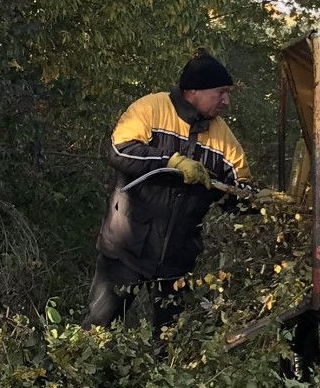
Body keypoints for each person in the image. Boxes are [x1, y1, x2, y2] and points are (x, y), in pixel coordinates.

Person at [86, 49, 251, 328]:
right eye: (220, 92)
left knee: (170, 344)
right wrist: (171, 161)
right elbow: (119, 150)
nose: (226, 101)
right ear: (193, 91)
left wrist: (257, 200)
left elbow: (237, 191)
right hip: (127, 247)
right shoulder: (150, 109)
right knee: (100, 329)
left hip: (177, 259)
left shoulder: (224, 139)